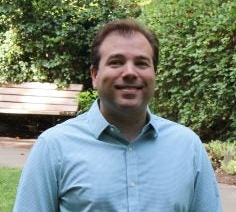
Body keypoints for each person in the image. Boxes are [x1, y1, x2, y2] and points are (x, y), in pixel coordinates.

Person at [13, 19, 222, 212]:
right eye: (116, 62)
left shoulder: (187, 147)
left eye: (142, 63)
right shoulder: (54, 147)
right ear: (95, 75)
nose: (130, 72)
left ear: (154, 75)